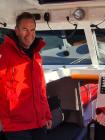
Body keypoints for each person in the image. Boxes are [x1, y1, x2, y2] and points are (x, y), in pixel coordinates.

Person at [0, 12, 52, 140]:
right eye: (25, 29)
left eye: (32, 29)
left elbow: (41, 90)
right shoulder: (4, 54)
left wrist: (47, 115)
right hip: (17, 126)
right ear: (16, 31)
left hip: (39, 123)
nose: (30, 34)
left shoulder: (37, 56)